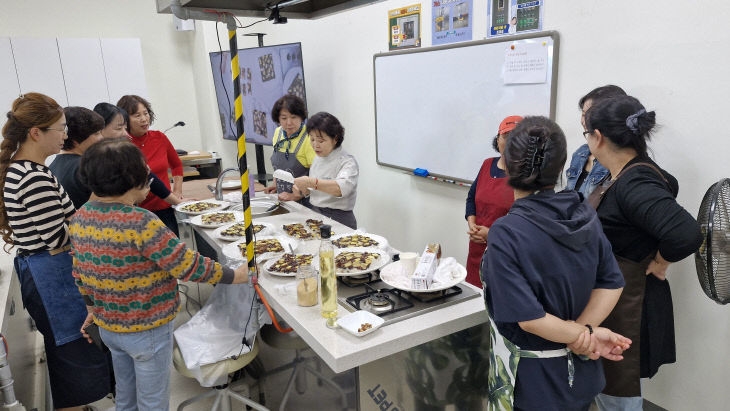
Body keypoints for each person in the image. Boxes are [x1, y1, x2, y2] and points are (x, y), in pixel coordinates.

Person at [70, 138, 249, 410]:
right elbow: (186, 264)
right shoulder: (141, 222)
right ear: (134, 180)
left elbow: (80, 272)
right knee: (153, 401)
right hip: (147, 328)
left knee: (126, 395)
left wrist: (92, 309)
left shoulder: (80, 217)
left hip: (108, 326)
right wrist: (234, 275)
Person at [481, 116, 631, 411]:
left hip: (534, 384)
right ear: (561, 164)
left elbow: (530, 317)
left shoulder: (506, 232)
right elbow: (611, 283)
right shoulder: (582, 213)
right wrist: (584, 333)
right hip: (581, 376)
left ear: (508, 164)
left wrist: (580, 336)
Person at [583, 95, 702, 410]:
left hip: (628, 305)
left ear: (598, 137)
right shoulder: (624, 172)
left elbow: (687, 234)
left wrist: (661, 261)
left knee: (618, 391)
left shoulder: (636, 180)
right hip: (612, 297)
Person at [0, 93, 111, 410]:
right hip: (53, 278)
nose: (65, 135)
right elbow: (59, 240)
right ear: (37, 132)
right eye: (60, 128)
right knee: (73, 359)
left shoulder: (22, 169)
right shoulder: (33, 177)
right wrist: (99, 208)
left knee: (70, 358)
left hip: (45, 272)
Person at [464, 115, 522, 287]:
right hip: (477, 248)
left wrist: (491, 234)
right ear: (498, 140)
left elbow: (523, 222)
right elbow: (471, 199)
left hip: (506, 252)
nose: (511, 142)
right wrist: (472, 225)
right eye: (506, 137)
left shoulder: (526, 177)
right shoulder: (487, 164)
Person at [93, 102, 182, 207]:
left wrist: (178, 202)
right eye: (118, 128)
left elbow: (149, 176)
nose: (126, 134)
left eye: (145, 113)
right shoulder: (95, 158)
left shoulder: (124, 150)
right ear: (99, 129)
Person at [116, 95, 183, 236]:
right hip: (138, 212)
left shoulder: (160, 137)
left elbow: (176, 165)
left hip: (165, 208)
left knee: (172, 254)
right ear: (124, 120)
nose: (144, 119)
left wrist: (177, 192)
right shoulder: (123, 146)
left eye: (146, 113)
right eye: (137, 115)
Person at [292, 112, 359, 229]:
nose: (315, 145)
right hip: (316, 214)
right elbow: (314, 192)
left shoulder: (347, 162)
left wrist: (311, 182)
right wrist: (304, 190)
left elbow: (340, 188)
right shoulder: (318, 159)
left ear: (335, 139)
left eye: (321, 141)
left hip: (339, 218)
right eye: (312, 139)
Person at [564, 85, 625, 197]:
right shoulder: (580, 153)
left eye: (590, 115)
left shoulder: (617, 160)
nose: (584, 121)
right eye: (583, 115)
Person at [48, 107, 104, 209]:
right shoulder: (89, 167)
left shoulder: (51, 168)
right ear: (76, 140)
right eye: (96, 133)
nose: (102, 138)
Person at [264, 95, 316, 203]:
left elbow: (316, 178)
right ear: (278, 119)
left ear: (301, 117)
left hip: (305, 202)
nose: (289, 123)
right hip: (283, 199)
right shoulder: (278, 133)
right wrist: (275, 184)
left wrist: (296, 196)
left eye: (293, 117)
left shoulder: (309, 137)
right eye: (284, 118)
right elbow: (278, 166)